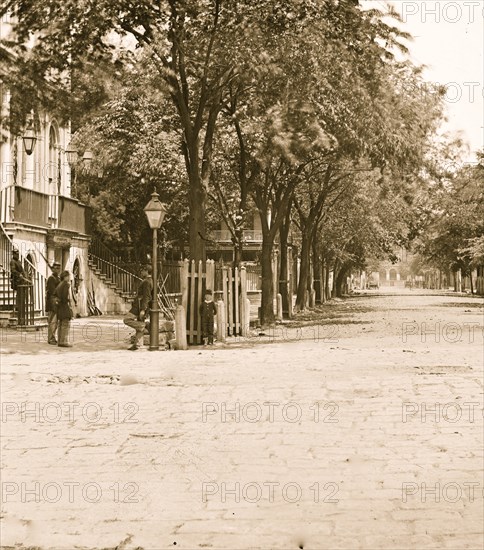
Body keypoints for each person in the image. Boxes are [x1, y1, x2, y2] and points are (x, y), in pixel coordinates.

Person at [123, 265, 153, 351]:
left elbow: (147, 296)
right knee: (139, 323)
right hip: (140, 305)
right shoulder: (149, 281)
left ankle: (145, 325)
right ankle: (138, 345)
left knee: (127, 320)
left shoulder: (147, 282)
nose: (141, 272)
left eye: (142, 270)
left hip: (139, 306)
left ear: (147, 271)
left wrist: (143, 310)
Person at [54, 270, 73, 348]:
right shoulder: (65, 284)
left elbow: (55, 294)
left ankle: (60, 341)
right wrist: (69, 302)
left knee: (61, 324)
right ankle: (64, 341)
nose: (69, 278)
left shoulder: (59, 284)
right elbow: (65, 297)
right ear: (65, 277)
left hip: (59, 306)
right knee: (65, 324)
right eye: (68, 276)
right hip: (64, 306)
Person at [45, 261, 61, 345]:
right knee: (52, 321)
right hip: (52, 302)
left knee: (55, 322)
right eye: (56, 268)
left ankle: (52, 337)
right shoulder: (51, 278)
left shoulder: (58, 278)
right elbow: (52, 291)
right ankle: (50, 338)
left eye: (58, 268)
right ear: (53, 268)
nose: (57, 269)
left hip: (56, 302)